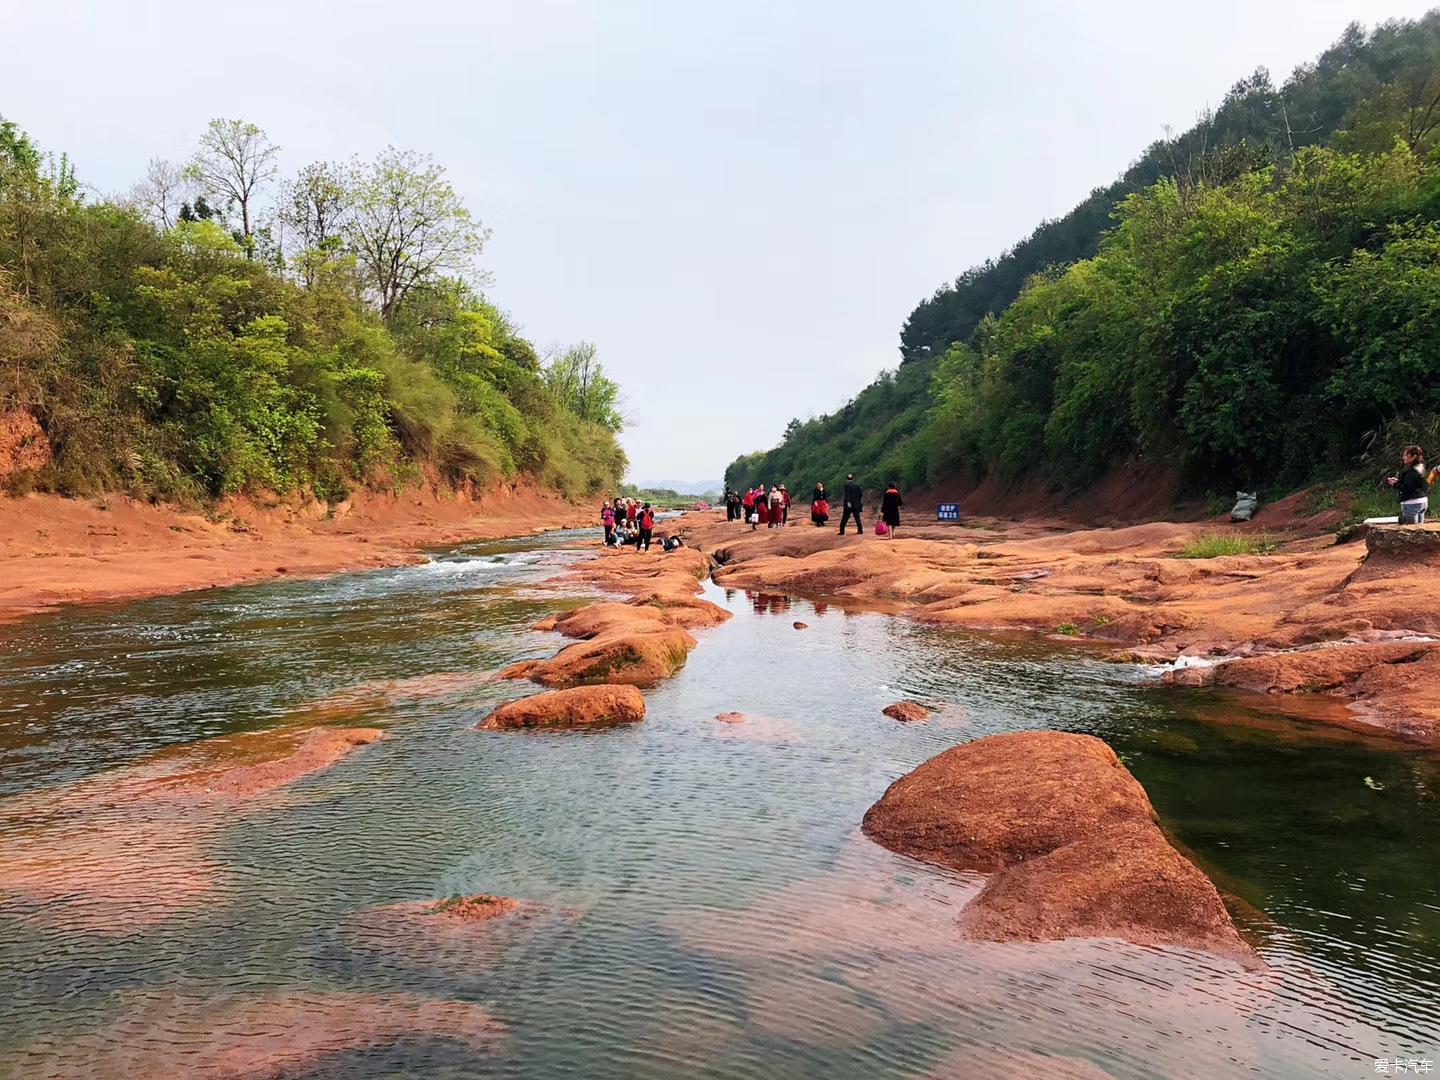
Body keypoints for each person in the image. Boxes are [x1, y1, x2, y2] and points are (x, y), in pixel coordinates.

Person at [1388, 445, 1429, 524]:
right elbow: (1416, 484)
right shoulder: (1421, 467)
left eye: (1406, 455)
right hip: (1423, 501)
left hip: (1412, 504)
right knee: (1419, 531)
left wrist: (1395, 484)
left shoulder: (1412, 471)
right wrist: (1398, 482)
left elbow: (1407, 488)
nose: (1403, 457)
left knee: (1411, 531)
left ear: (1413, 456)